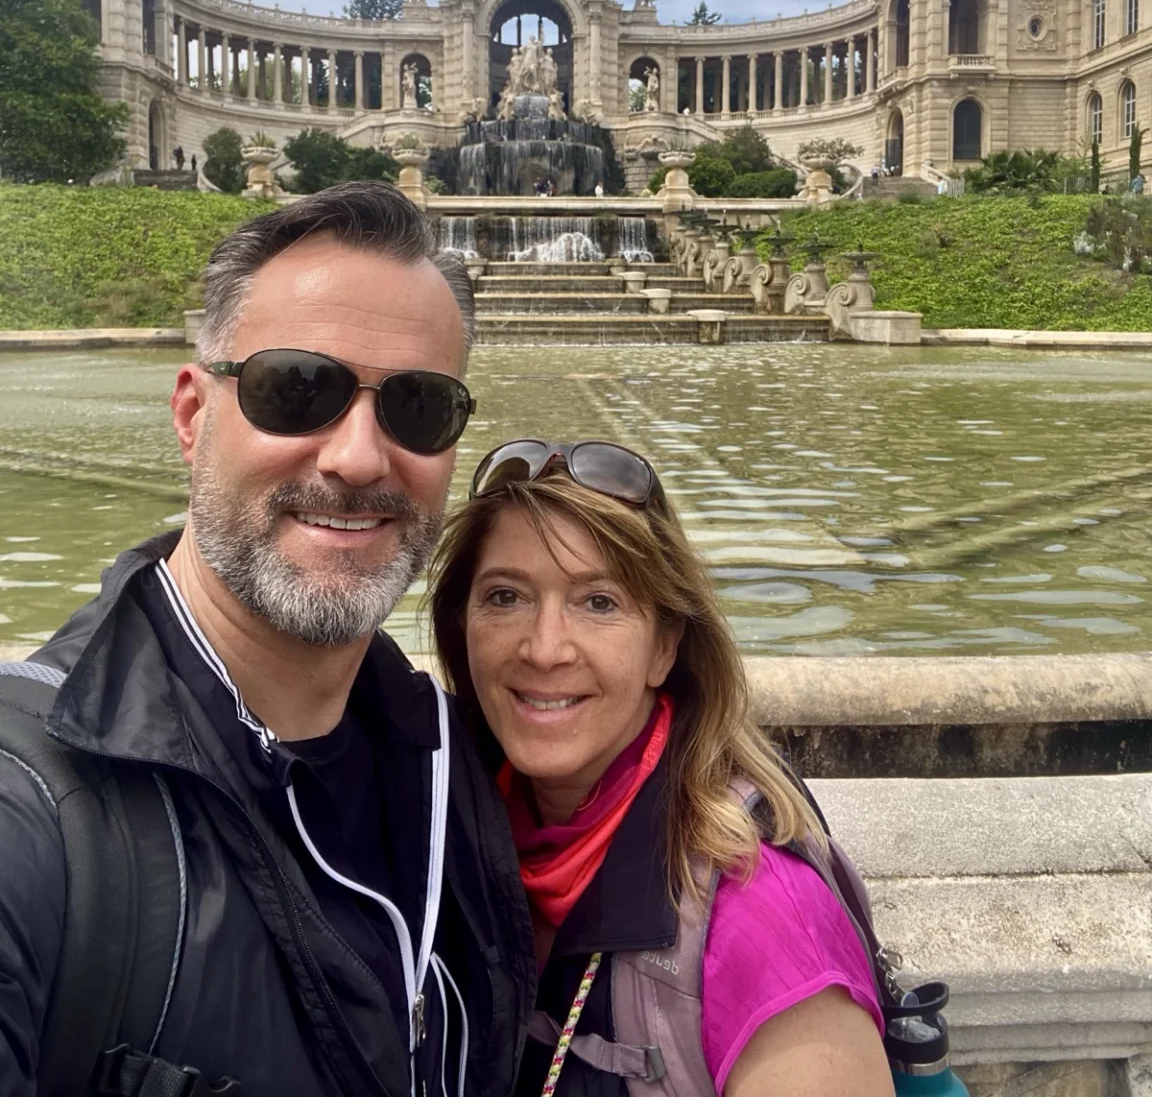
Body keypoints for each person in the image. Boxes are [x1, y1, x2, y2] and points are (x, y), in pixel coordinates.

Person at [0, 183, 534, 1096]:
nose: (359, 458)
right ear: (191, 414)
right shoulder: (31, 810)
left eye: (418, 406)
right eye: (297, 389)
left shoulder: (459, 761)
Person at [428, 440, 893, 1097]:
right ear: (462, 628)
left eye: (598, 602)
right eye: (506, 596)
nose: (543, 648)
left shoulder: (763, 917)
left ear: (665, 647)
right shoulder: (447, 827)